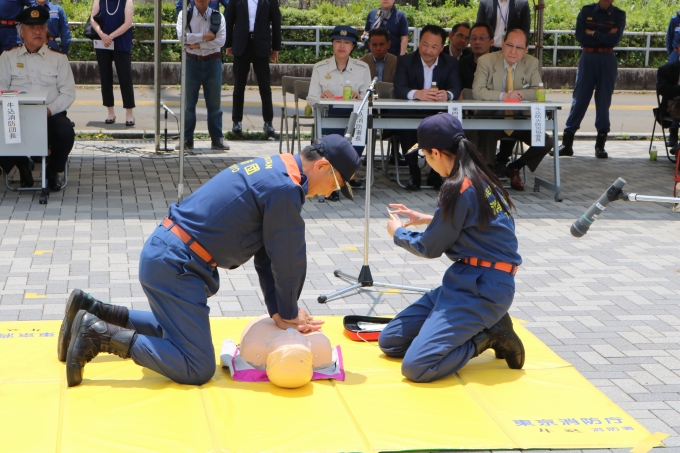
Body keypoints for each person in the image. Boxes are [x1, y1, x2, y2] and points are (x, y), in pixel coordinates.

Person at [59, 135, 362, 387]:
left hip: (168, 254)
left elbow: (269, 255)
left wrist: (281, 311)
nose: (329, 194)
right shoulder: (285, 190)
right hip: (177, 264)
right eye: (335, 186)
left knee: (177, 335)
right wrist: (289, 311)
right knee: (196, 366)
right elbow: (287, 258)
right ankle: (98, 335)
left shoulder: (279, 168)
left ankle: (92, 310)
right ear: (322, 165)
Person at [379, 113, 525, 383]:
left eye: (425, 156)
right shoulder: (478, 175)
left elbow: (428, 247)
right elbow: (476, 223)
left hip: (483, 290)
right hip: (466, 281)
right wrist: (429, 218)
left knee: (417, 367)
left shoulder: (458, 187)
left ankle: (489, 335)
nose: (428, 162)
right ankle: (464, 328)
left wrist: (397, 232)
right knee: (391, 342)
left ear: (435, 152)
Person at [0, 6, 75, 191]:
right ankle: (22, 163)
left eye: (41, 27)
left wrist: (48, 110)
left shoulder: (58, 59)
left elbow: (68, 93)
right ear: (21, 32)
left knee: (65, 133)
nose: (37, 31)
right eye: (31, 27)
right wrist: (16, 108)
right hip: (16, 114)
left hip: (49, 114)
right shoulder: (8, 57)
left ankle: (52, 171)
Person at [472, 28, 553, 191]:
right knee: (487, 128)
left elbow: (538, 91)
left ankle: (515, 167)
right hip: (492, 117)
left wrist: (519, 94)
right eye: (510, 45)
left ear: (526, 50)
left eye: (519, 47)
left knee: (546, 141)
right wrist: (504, 96)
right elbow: (477, 91)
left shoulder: (532, 63)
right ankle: (487, 176)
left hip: (519, 119)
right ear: (502, 44)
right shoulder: (486, 61)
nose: (513, 51)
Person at [393, 24, 462, 191]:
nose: (428, 50)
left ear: (441, 48)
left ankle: (436, 172)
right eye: (425, 44)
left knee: (444, 127)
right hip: (412, 112)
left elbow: (456, 88)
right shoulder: (405, 61)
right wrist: (417, 94)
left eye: (434, 47)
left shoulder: (450, 63)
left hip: (437, 113)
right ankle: (413, 172)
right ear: (418, 42)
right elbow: (399, 88)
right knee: (407, 127)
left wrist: (447, 95)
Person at [556, 0, 625, 159]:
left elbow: (614, 40)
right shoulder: (587, 11)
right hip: (587, 57)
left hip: (607, 58)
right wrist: (604, 35)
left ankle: (600, 145)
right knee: (579, 98)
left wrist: (593, 32)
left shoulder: (618, 15)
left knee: (603, 101)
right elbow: (580, 36)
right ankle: (567, 143)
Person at [308, 26, 371, 200]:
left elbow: (369, 97)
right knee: (329, 146)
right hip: (329, 116)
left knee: (358, 137)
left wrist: (360, 97)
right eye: (338, 41)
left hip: (354, 118)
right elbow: (310, 98)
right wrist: (321, 96)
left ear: (353, 46)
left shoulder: (363, 68)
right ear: (332, 44)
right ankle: (333, 182)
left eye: (346, 42)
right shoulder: (320, 68)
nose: (341, 46)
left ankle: (341, 178)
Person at [176, 0, 229, 150]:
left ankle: (217, 138)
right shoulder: (184, 15)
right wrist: (205, 36)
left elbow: (220, 41)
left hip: (213, 62)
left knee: (214, 104)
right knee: (188, 104)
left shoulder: (218, 17)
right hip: (191, 62)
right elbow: (182, 38)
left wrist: (198, 43)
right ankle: (186, 139)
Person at [225, 0, 281, 137]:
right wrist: (228, 44)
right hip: (241, 45)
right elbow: (228, 19)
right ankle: (236, 122)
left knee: (265, 86)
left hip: (261, 45)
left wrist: (276, 48)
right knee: (239, 86)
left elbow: (276, 22)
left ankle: (268, 122)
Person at [90, 0, 136, 127]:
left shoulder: (127, 1)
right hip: (102, 43)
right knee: (105, 77)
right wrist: (102, 35)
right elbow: (92, 19)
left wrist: (110, 36)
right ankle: (110, 112)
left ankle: (129, 113)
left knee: (125, 78)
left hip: (121, 42)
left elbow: (128, 23)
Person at [657, 43, 680, 154]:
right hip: (673, 104)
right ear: (678, 49)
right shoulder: (666, 70)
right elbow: (663, 90)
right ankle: (674, 136)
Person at [458, 22, 494, 90]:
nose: (477, 42)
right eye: (473, 38)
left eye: (482, 38)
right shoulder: (462, 64)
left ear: (491, 42)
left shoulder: (498, 63)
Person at [664, 11, 680, 148]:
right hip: (676, 54)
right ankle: (673, 133)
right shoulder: (676, 19)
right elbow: (669, 41)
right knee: (674, 96)